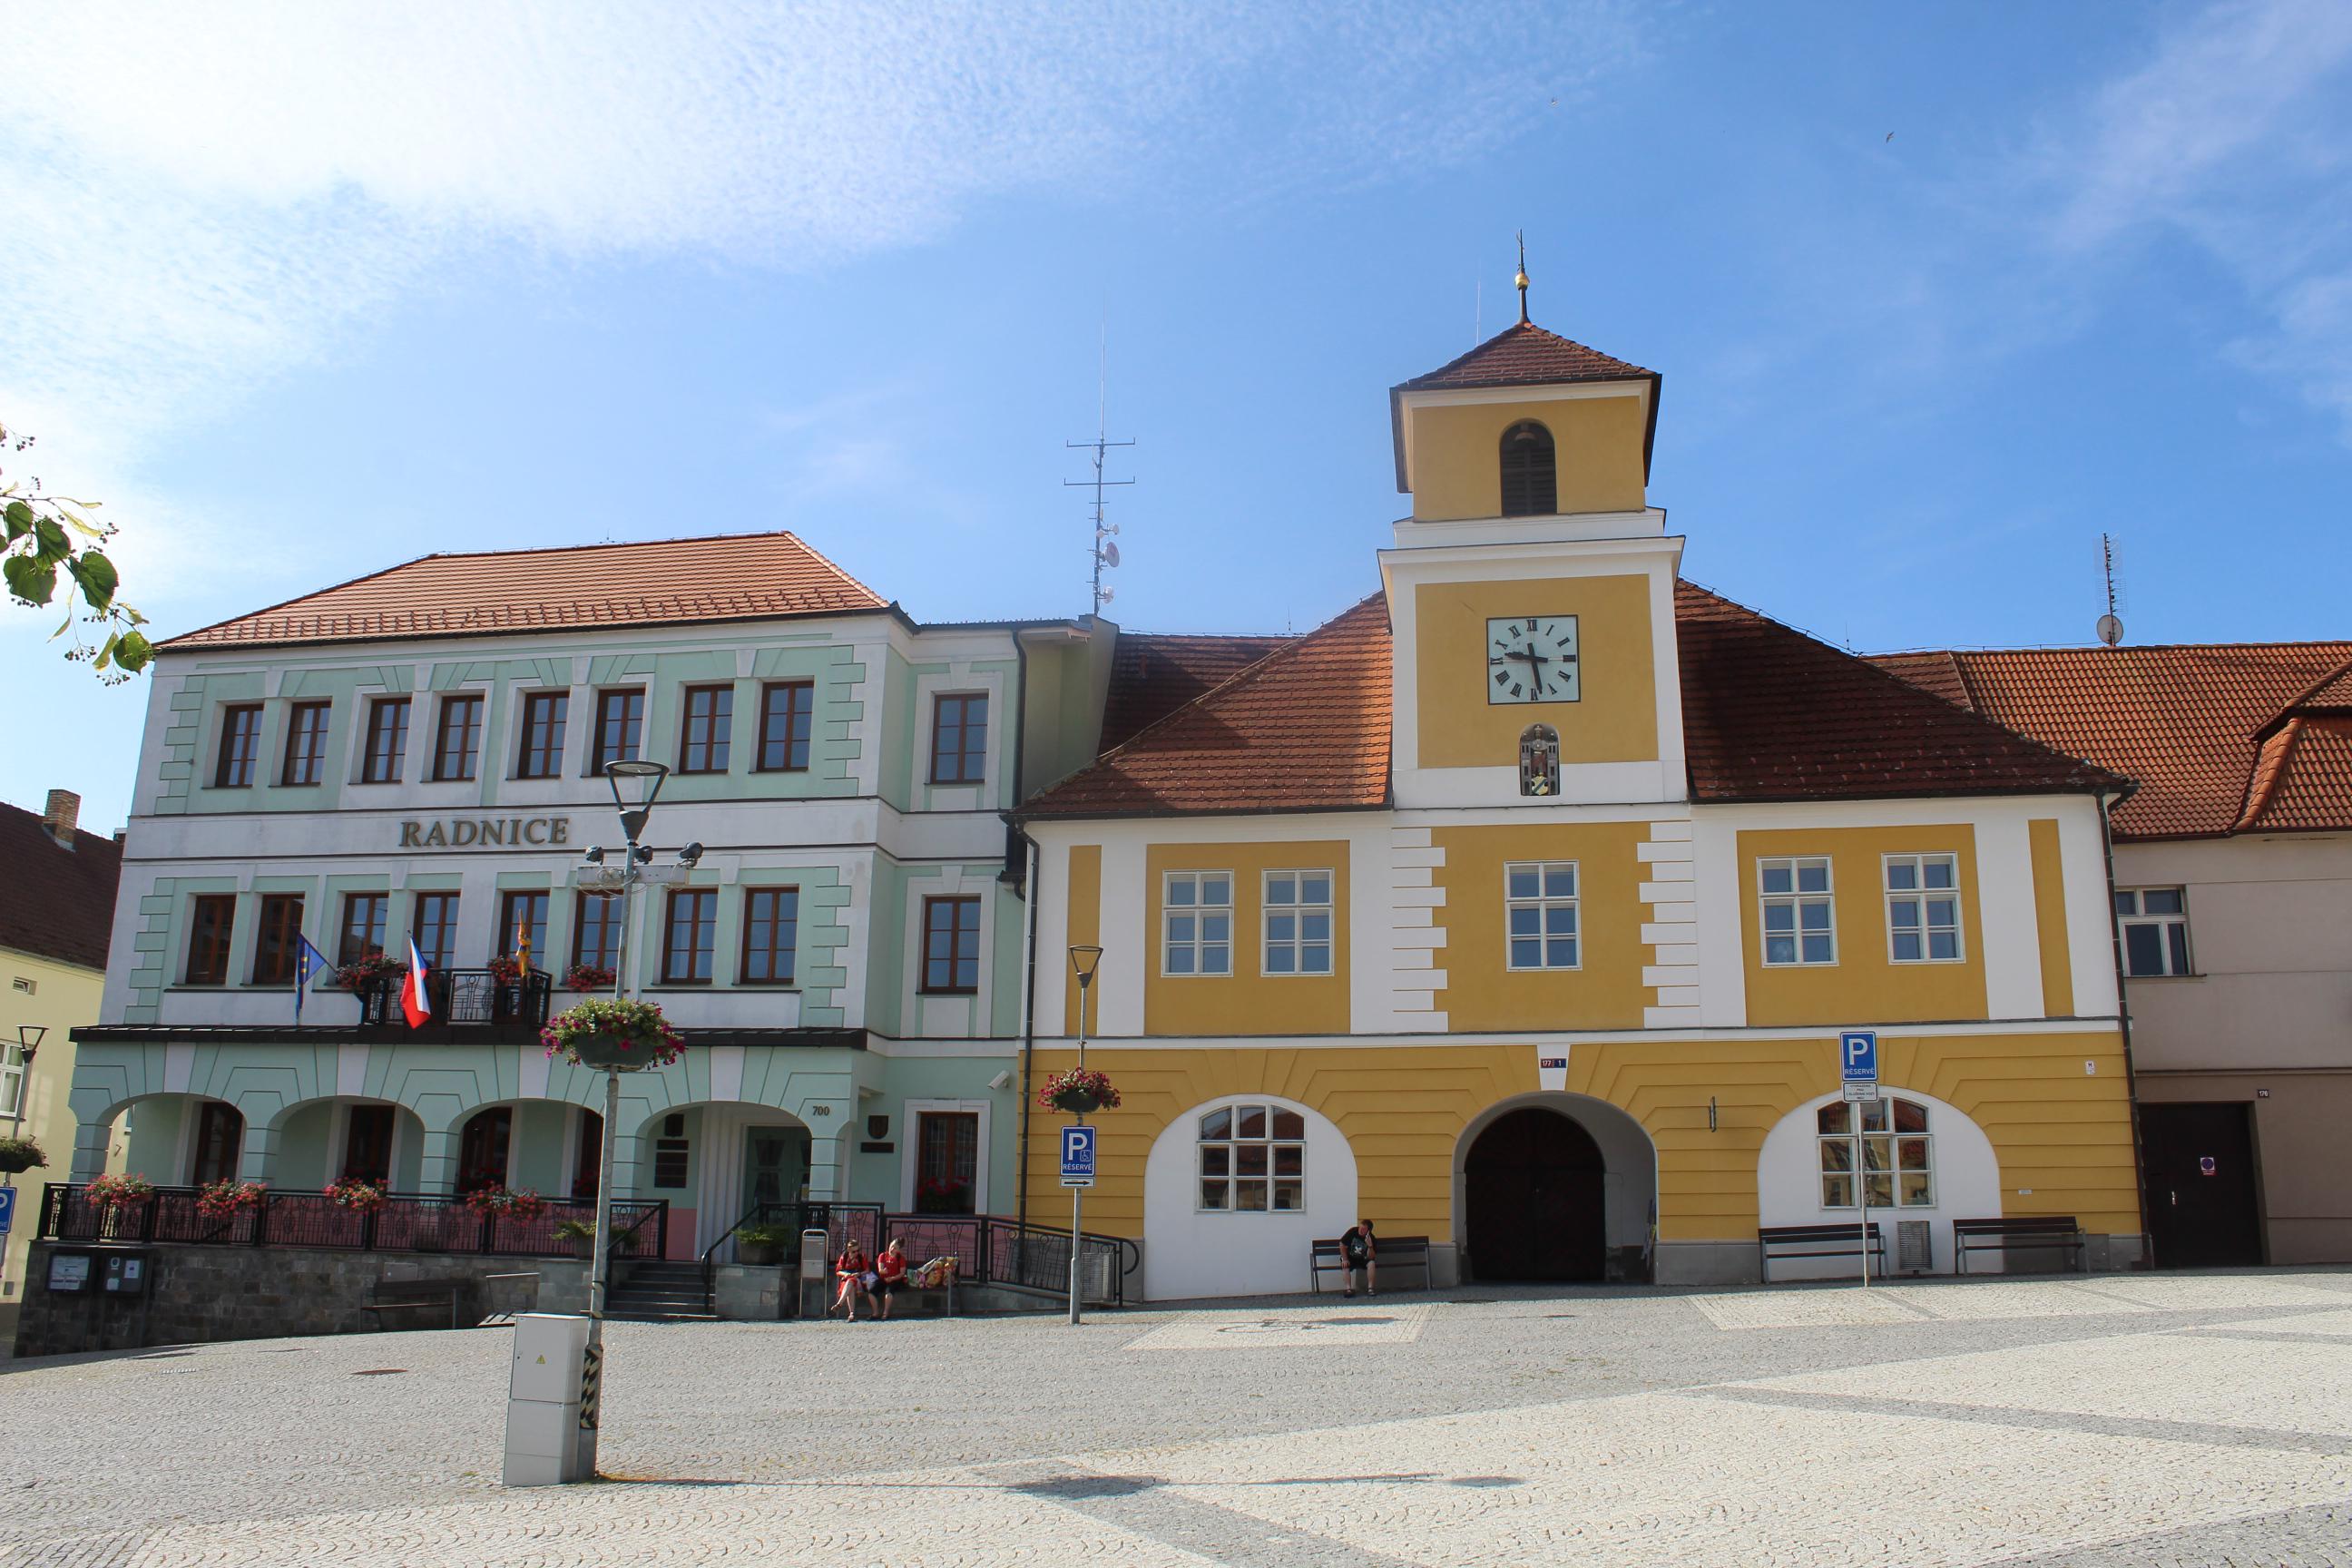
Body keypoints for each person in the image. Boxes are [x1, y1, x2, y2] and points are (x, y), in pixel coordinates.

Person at [833, 1240, 874, 1320]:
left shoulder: (861, 1256)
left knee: (851, 1281)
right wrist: (845, 1274)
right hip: (847, 1279)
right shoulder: (844, 1256)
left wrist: (859, 1274)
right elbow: (838, 1271)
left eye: (858, 1250)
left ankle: (839, 1304)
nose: (856, 1253)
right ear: (849, 1250)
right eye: (854, 1251)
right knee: (850, 1284)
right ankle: (852, 1314)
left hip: (859, 1279)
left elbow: (867, 1270)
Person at [871, 1239, 910, 1319]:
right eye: (891, 1246)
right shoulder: (883, 1255)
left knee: (889, 1292)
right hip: (883, 1279)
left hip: (894, 1279)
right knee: (872, 1292)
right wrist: (883, 1271)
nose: (892, 1249)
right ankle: (875, 1313)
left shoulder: (900, 1258)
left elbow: (902, 1273)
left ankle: (886, 1312)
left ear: (899, 1250)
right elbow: (880, 1270)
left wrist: (892, 1278)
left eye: (895, 1248)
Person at [1340, 1219, 1377, 1298]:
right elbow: (1342, 1244)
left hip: (1363, 1259)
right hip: (1350, 1257)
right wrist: (1345, 1259)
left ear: (1368, 1231)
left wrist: (1370, 1246)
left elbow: (1371, 1257)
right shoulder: (1353, 1231)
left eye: (1363, 1229)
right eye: (1360, 1227)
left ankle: (1370, 1288)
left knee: (1371, 1263)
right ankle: (1348, 1289)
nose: (1360, 1230)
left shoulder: (1372, 1238)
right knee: (1344, 1263)